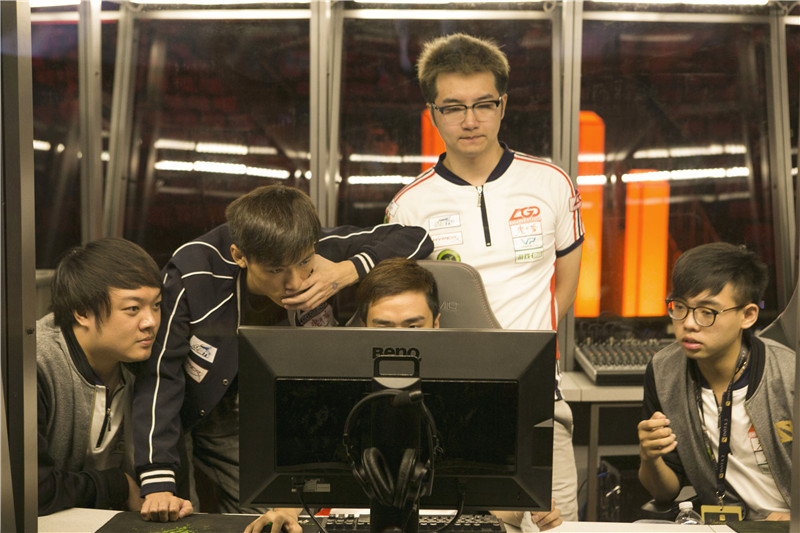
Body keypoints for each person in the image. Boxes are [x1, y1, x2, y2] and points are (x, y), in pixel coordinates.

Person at [133, 184, 433, 524]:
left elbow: (417, 238)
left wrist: (345, 271)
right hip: (197, 408)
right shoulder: (194, 271)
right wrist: (157, 478)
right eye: (276, 270)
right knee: (176, 515)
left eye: (303, 262)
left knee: (275, 519)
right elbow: (160, 376)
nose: (294, 282)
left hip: (282, 405)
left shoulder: (314, 246)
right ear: (239, 256)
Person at [385, 33, 584, 520]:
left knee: (555, 526)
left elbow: (566, 282)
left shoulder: (551, 183)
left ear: (503, 105)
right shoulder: (409, 205)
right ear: (433, 114)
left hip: (538, 399)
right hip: (445, 407)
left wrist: (529, 343)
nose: (470, 120)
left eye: (483, 104)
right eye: (453, 107)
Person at [244, 257, 562, 533]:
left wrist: (528, 510)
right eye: (383, 327)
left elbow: (493, 492)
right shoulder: (330, 389)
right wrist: (286, 511)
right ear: (364, 327)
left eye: (413, 327)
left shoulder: (475, 394)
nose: (399, 340)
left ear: (436, 324)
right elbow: (306, 474)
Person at [637, 242, 793, 521]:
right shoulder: (664, 371)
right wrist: (650, 458)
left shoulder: (788, 374)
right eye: (680, 307)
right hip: (721, 525)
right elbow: (664, 493)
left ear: (747, 315)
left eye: (707, 312)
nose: (689, 323)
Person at [37, 238, 162, 516]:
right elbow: (32, 490)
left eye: (156, 305)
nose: (151, 322)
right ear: (83, 312)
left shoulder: (153, 364)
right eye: (133, 309)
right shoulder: (35, 365)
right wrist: (118, 485)